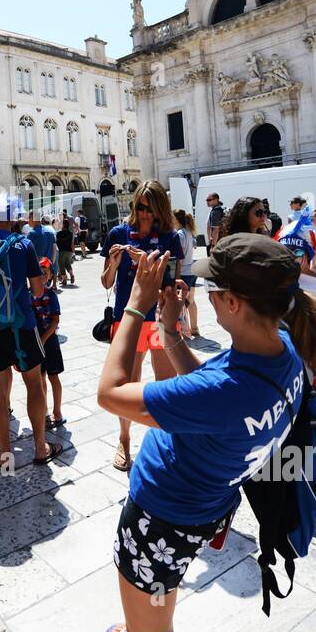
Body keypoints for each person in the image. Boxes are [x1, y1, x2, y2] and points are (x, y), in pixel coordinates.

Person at [97, 234, 316, 632]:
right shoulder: (282, 350)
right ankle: (142, 624)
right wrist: (170, 332)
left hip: (162, 516)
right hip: (201, 508)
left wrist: (136, 305)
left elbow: (110, 393)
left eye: (212, 288)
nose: (204, 295)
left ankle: (143, 631)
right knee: (159, 589)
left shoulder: (230, 391)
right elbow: (207, 389)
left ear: (233, 303)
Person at [0, 193, 60, 469]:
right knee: (34, 384)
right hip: (22, 325)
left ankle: (6, 456)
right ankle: (40, 448)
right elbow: (38, 289)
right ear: (12, 218)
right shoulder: (22, 244)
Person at [102, 181, 183, 472]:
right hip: (130, 318)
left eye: (149, 208)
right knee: (127, 382)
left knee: (166, 382)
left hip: (160, 319)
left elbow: (172, 282)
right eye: (139, 206)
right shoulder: (119, 233)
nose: (143, 213)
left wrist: (148, 263)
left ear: (160, 208)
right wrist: (113, 263)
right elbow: (106, 282)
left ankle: (166, 439)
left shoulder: (170, 237)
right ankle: (123, 439)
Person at [33, 257, 66, 429]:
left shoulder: (51, 295)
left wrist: (44, 339)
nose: (41, 277)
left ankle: (57, 411)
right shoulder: (28, 294)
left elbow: (55, 321)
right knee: (40, 378)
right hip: (35, 341)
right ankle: (44, 412)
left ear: (50, 275)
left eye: (45, 273)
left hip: (49, 340)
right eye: (38, 273)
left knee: (53, 376)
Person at [173, 208, 200, 337]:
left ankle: (184, 331)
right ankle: (194, 329)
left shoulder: (179, 234)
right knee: (191, 301)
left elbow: (180, 255)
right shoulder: (188, 232)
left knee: (180, 303)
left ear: (176, 219)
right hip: (192, 270)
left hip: (183, 272)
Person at [56, 216, 76, 285]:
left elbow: (56, 243)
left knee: (61, 265)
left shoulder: (59, 233)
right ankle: (71, 274)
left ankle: (64, 279)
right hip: (69, 251)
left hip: (62, 251)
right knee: (68, 264)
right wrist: (73, 253)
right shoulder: (71, 233)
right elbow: (72, 244)